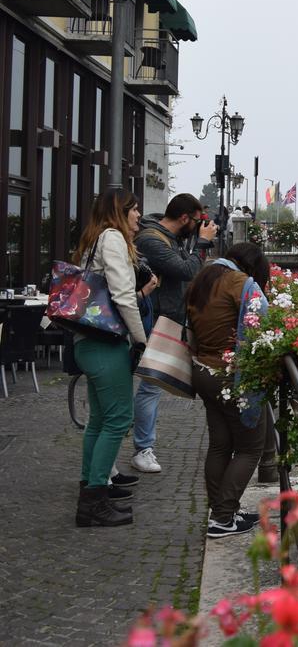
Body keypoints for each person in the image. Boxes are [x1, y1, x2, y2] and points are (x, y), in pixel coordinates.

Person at [72, 189, 158, 528]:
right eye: (134, 209)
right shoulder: (113, 239)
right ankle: (93, 500)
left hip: (89, 341)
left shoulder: (96, 238)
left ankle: (92, 489)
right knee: (118, 419)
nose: (139, 215)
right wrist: (141, 340)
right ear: (120, 213)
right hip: (105, 343)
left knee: (99, 420)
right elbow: (122, 296)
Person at [186, 242, 270, 538]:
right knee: (250, 447)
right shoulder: (243, 284)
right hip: (230, 375)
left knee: (220, 444)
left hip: (202, 371)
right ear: (252, 266)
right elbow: (261, 330)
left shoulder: (204, 278)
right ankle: (223, 518)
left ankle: (221, 511)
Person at [130, 193, 218, 474]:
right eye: (197, 220)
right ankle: (143, 448)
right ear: (184, 218)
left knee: (151, 386)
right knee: (149, 386)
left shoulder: (172, 238)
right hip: (153, 320)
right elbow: (186, 270)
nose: (199, 225)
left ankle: (141, 446)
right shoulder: (152, 239)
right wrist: (202, 243)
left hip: (165, 318)